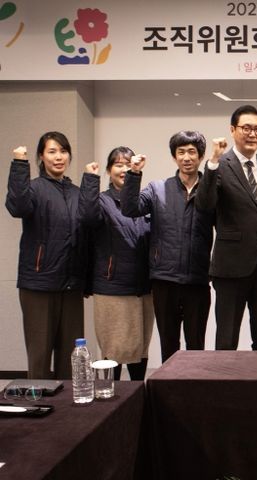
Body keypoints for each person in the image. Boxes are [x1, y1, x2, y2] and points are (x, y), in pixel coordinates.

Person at [197, 105, 257, 351]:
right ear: (233, 130)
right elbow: (204, 205)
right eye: (246, 128)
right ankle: (224, 378)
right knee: (227, 339)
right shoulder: (219, 165)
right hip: (230, 267)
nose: (252, 134)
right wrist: (212, 162)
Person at [121, 131, 214, 362]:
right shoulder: (158, 188)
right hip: (164, 280)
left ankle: (195, 384)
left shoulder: (210, 190)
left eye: (192, 152)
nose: (186, 157)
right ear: (174, 157)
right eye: (181, 152)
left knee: (196, 346)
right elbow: (130, 209)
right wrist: (134, 173)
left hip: (198, 280)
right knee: (169, 345)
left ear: (201, 156)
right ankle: (169, 385)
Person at [5, 132, 88, 379]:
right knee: (39, 355)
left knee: (71, 358)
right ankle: (37, 400)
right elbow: (17, 206)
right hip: (38, 284)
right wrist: (20, 165)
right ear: (41, 156)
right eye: (52, 152)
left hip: (71, 285)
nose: (59, 157)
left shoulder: (76, 192)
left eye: (63, 151)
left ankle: (69, 404)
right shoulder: (33, 188)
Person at [79, 147, 153, 380]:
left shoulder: (143, 202)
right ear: (109, 170)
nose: (123, 170)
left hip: (142, 288)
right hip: (112, 288)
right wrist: (90, 180)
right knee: (113, 349)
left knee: (140, 349)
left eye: (128, 165)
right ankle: (110, 397)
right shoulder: (102, 200)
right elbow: (88, 217)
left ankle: (138, 394)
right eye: (118, 165)